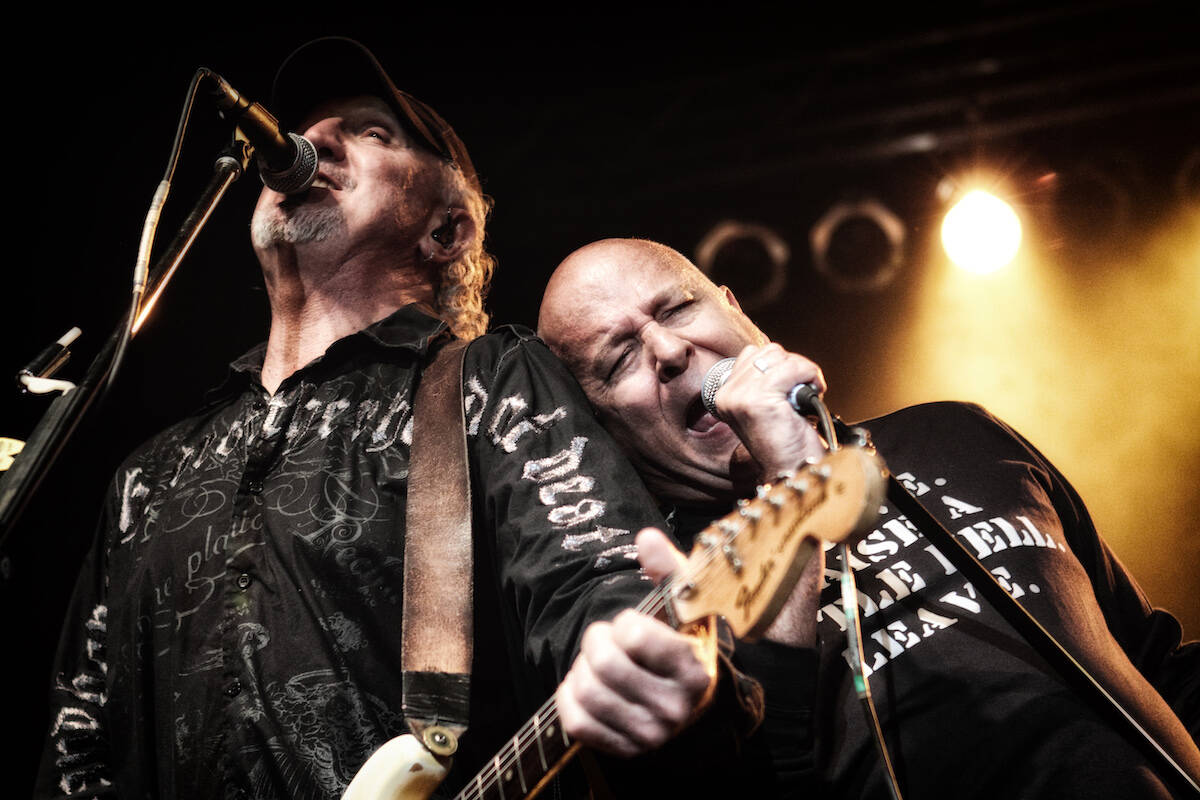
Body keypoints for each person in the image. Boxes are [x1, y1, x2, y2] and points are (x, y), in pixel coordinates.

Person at [34, 41, 735, 800]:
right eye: (312, 125)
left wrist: (638, 648)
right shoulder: (148, 475)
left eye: (370, 132)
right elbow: (79, 749)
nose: (318, 140)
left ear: (448, 230)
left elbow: (595, 580)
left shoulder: (489, 382)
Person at [537, 237, 1200, 799]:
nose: (669, 349)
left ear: (737, 312)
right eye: (619, 358)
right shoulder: (664, 594)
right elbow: (770, 776)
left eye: (679, 306)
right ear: (602, 429)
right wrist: (793, 478)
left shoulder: (956, 432)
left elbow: (1153, 662)